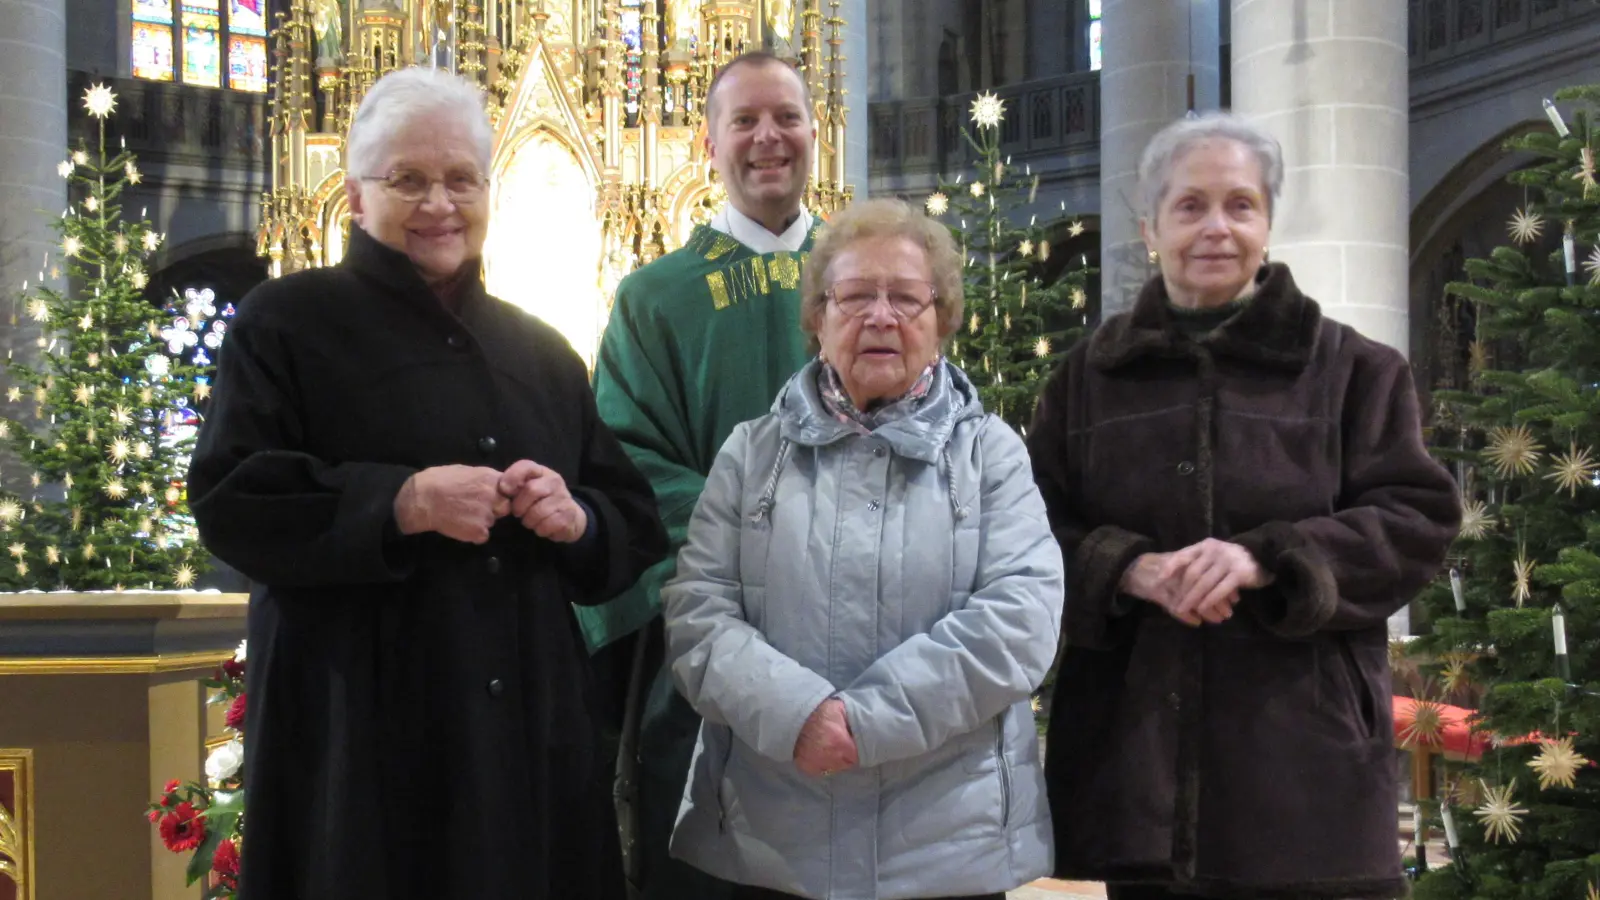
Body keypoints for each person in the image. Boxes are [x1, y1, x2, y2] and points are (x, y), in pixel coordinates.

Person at [187, 67, 667, 900]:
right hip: (361, 736)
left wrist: (578, 518)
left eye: (461, 179)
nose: (439, 203)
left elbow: (631, 522)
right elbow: (233, 500)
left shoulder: (542, 353)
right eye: (408, 179)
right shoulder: (284, 322)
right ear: (355, 195)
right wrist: (401, 503)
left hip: (526, 738)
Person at [1029, 112, 1461, 900]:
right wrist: (1128, 569)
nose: (1216, 228)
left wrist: (1268, 557)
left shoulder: (1356, 370)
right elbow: (1032, 532)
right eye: (1190, 206)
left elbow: (1417, 518)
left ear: (1267, 222)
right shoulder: (1087, 381)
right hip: (1142, 772)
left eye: (1240, 205)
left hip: (1307, 769)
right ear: (1151, 226)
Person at [662, 198, 1064, 900]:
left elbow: (1020, 619)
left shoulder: (990, 454)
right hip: (772, 845)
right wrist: (799, 717)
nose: (881, 316)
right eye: (853, 296)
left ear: (941, 320)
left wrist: (863, 724)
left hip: (947, 851)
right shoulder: (751, 454)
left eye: (906, 298)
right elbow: (698, 616)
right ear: (818, 318)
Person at [584, 50, 821, 900]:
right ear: (708, 143)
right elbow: (626, 457)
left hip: (865, 639)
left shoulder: (872, 277)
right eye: (744, 121)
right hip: (715, 632)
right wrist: (760, 544)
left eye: (786, 117)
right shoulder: (656, 298)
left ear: (815, 131)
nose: (768, 137)